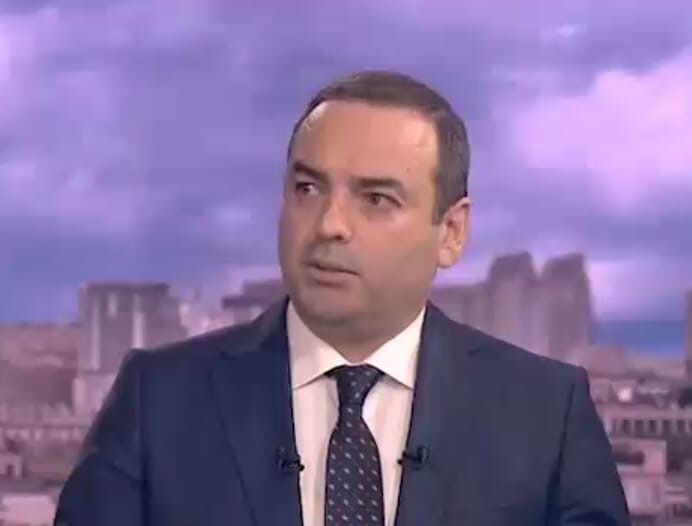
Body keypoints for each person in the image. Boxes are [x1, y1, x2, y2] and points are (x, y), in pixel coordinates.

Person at [54, 71, 630, 526]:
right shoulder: (158, 402)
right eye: (308, 188)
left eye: (375, 199)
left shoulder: (547, 415)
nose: (329, 224)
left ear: (451, 233)